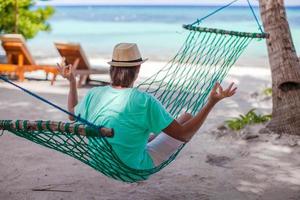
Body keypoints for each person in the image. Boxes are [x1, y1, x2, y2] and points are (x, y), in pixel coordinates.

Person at [57, 43, 236, 170]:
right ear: (137, 70)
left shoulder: (94, 94)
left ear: (112, 70)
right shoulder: (143, 101)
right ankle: (150, 137)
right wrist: (212, 102)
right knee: (186, 120)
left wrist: (72, 81)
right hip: (131, 167)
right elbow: (183, 134)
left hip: (100, 161)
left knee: (148, 131)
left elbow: (72, 115)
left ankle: (148, 137)